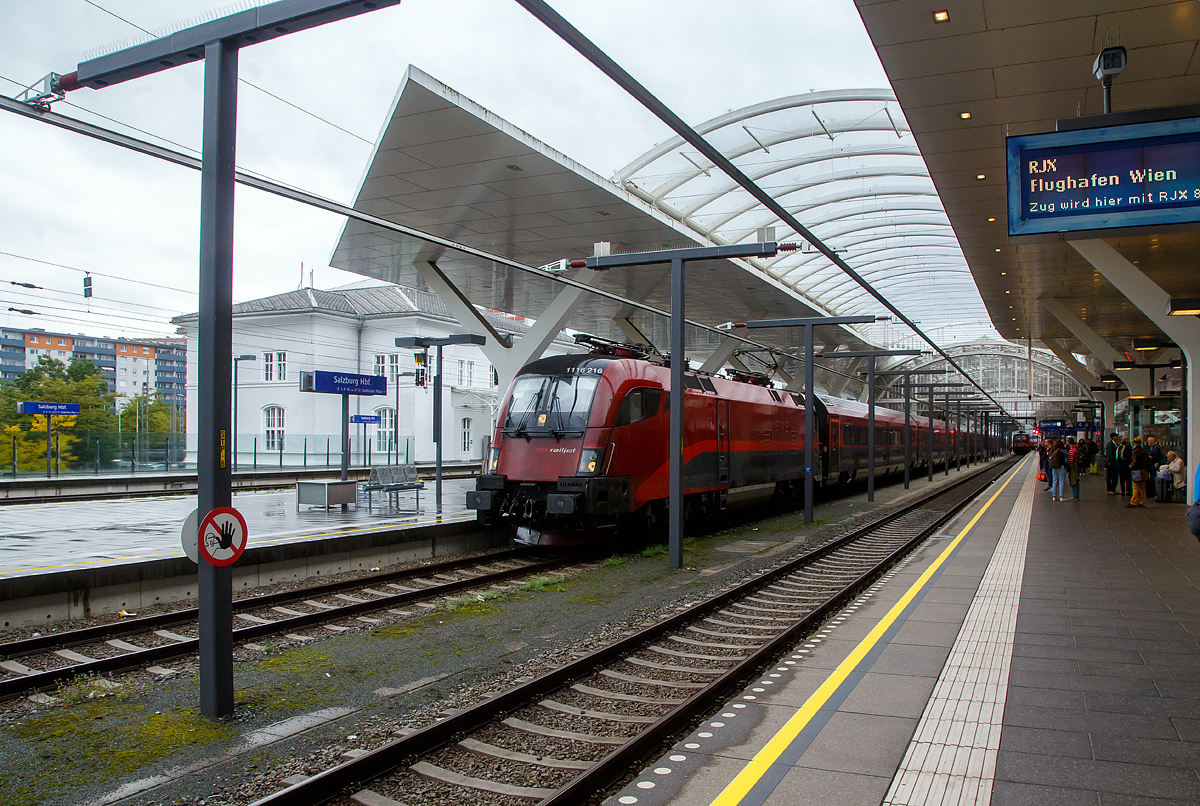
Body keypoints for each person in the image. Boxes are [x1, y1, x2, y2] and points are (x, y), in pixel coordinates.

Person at [1128, 436, 1150, 508]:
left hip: (1136, 471)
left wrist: (1131, 465)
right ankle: (1142, 502)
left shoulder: (1134, 451)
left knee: (1136, 487)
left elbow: (1135, 461)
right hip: (1144, 471)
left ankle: (1134, 502)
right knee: (1143, 488)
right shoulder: (1144, 451)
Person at [1067, 437, 1081, 501]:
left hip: (1073, 466)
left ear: (1068, 442)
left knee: (1074, 481)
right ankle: (1076, 495)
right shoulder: (1075, 448)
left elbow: (1071, 459)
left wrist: (1069, 467)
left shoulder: (1072, 449)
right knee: (1075, 481)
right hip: (1075, 465)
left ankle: (1075, 496)